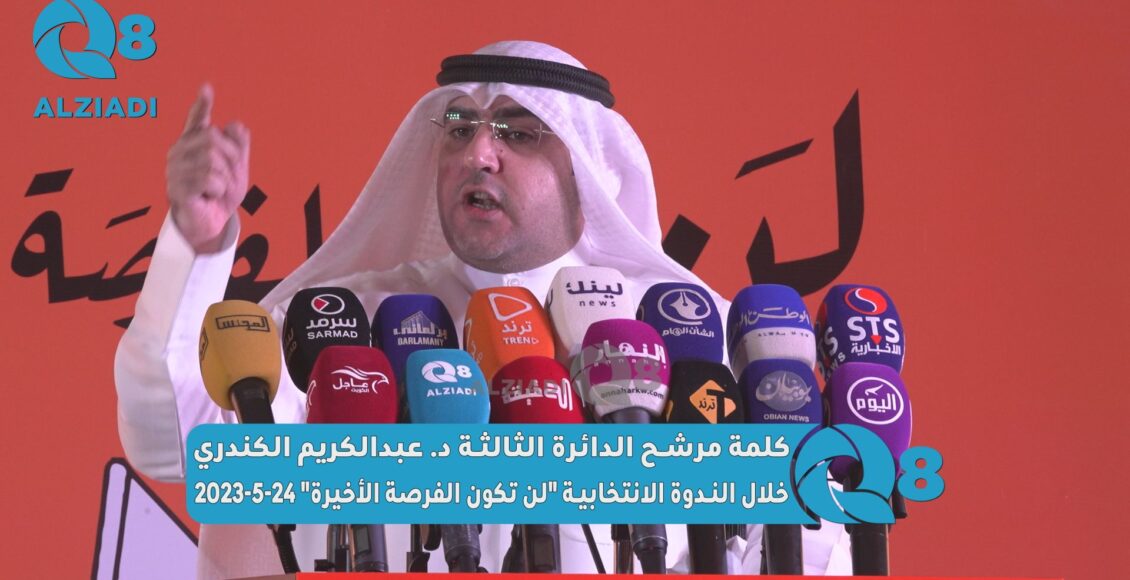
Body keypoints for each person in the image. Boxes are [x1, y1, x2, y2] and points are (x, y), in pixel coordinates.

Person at [115, 40, 851, 577]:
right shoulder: (344, 322)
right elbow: (169, 443)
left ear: (588, 175)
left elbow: (812, 546)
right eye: (461, 127)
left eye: (518, 132)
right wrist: (193, 249)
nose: (479, 153)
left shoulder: (687, 337)